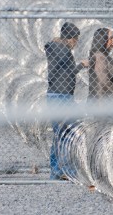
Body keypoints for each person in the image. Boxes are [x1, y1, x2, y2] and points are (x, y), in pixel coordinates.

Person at [45, 22, 88, 180]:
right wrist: (81, 65)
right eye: (75, 39)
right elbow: (68, 73)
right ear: (71, 39)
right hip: (62, 97)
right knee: (67, 133)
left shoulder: (54, 48)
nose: (76, 43)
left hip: (55, 96)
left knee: (59, 134)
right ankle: (66, 170)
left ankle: (56, 170)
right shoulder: (64, 51)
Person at [88, 28, 113, 100]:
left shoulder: (102, 56)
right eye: (110, 39)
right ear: (103, 40)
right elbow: (104, 83)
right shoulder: (100, 57)